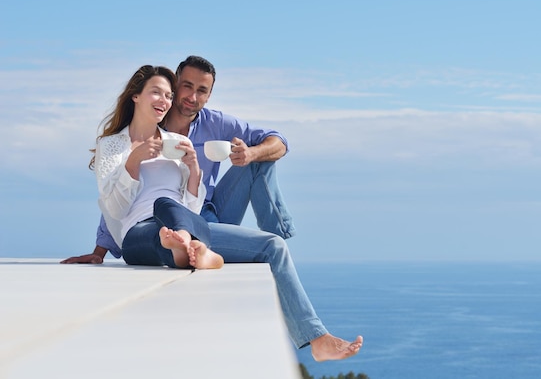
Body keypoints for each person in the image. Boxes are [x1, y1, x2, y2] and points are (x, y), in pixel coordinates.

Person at [62, 56, 363, 361]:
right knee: (165, 210)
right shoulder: (135, 131)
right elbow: (117, 200)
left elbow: (278, 142)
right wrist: (101, 249)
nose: (190, 97)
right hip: (161, 223)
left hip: (201, 212)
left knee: (260, 170)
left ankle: (311, 328)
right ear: (172, 84)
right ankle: (204, 248)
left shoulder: (207, 127)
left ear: (209, 95)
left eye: (202, 91)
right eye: (184, 87)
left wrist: (245, 154)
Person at [91, 64, 224, 270]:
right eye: (156, 93)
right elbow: (116, 211)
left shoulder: (178, 142)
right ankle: (196, 251)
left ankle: (183, 246)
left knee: (167, 206)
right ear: (135, 95)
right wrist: (133, 161)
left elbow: (192, 210)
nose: (165, 101)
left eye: (169, 96)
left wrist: (195, 172)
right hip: (137, 231)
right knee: (161, 237)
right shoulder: (110, 145)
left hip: (180, 221)